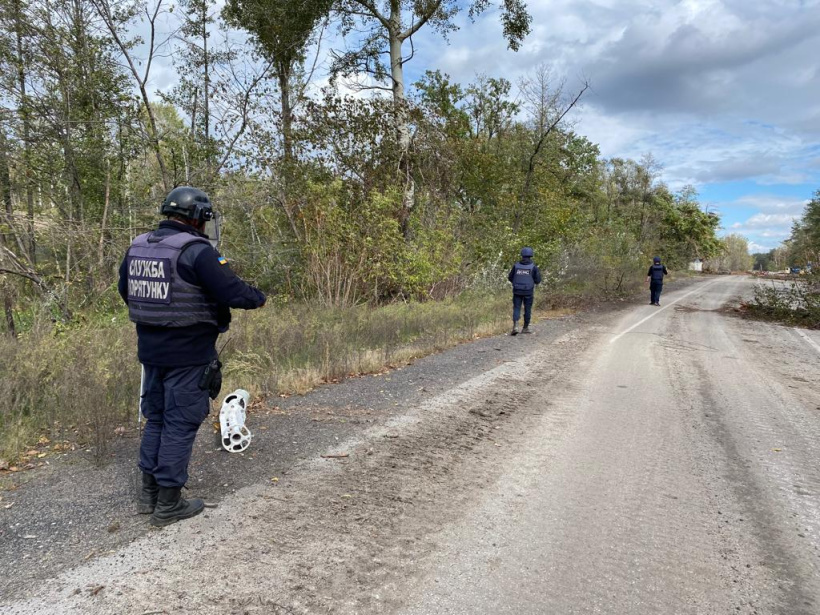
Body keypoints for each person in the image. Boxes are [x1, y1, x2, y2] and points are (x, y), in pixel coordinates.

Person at [118, 186, 266, 527]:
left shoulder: (138, 246)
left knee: (156, 418)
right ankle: (169, 504)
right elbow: (232, 291)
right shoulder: (196, 251)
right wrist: (259, 298)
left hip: (150, 351)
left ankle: (148, 494)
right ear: (199, 218)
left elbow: (125, 290)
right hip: (189, 353)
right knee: (180, 423)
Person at [507, 247, 542, 335]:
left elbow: (510, 277)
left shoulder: (516, 266)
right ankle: (525, 328)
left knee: (516, 308)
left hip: (517, 291)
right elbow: (538, 280)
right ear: (531, 255)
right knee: (527, 309)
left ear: (522, 255)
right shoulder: (533, 267)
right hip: (528, 291)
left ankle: (515, 326)